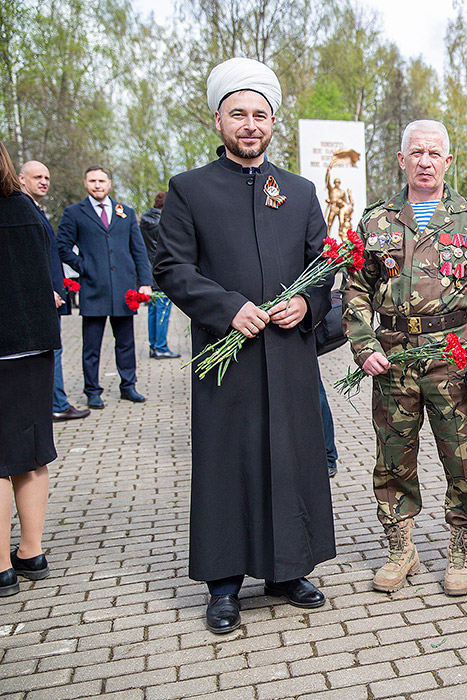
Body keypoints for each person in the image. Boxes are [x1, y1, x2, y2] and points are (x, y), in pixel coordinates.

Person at [153, 57, 335, 634]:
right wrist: (227, 307)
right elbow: (172, 267)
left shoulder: (302, 192)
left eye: (260, 114)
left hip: (286, 354)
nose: (250, 123)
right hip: (226, 352)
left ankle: (288, 570)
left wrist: (308, 304)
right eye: (238, 114)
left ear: (273, 122)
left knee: (291, 456)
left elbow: (324, 265)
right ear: (218, 121)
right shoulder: (189, 191)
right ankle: (225, 584)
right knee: (228, 463)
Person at [342, 119, 467, 598]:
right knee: (393, 456)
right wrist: (364, 346)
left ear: (448, 161)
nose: (425, 162)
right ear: (402, 161)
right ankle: (400, 547)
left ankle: (461, 550)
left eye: (434, 154)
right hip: (392, 357)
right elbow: (356, 288)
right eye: (416, 154)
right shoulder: (374, 221)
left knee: (461, 454)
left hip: (452, 354)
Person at [0, 140, 61, 597]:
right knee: (33, 451)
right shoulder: (26, 209)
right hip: (34, 345)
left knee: (0, 462)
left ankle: (1, 565)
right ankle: (31, 551)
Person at [56, 166, 152, 408]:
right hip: (93, 288)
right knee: (91, 346)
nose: (97, 185)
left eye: (101, 180)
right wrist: (84, 266)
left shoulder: (126, 213)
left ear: (109, 183)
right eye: (92, 181)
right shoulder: (74, 213)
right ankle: (92, 390)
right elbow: (62, 246)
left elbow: (139, 250)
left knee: (126, 342)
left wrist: (145, 283)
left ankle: (128, 386)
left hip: (123, 289)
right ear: (85, 183)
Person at [18, 160, 90, 421]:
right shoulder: (23, 210)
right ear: (21, 179)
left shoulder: (35, 209)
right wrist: (47, 288)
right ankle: (56, 404)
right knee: (52, 350)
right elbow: (30, 256)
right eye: (37, 177)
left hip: (51, 294)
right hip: (43, 296)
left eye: (47, 177)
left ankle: (54, 402)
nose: (44, 181)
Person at [138, 192, 180, 359]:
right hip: (162, 272)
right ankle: (161, 347)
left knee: (153, 311)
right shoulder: (164, 221)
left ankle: (153, 345)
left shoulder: (146, 221)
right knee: (163, 311)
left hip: (149, 272)